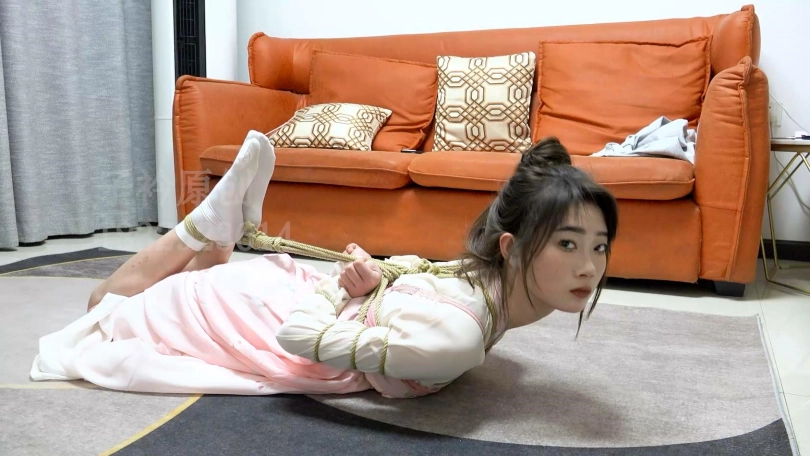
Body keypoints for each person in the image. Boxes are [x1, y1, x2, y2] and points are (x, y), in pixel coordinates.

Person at [29, 131, 618, 399]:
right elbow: (296, 336)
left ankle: (214, 230)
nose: (589, 267)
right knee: (103, 311)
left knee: (171, 289)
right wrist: (344, 287)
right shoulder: (459, 337)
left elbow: (404, 271)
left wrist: (366, 281)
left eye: (598, 246)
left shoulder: (475, 278)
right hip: (278, 314)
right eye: (567, 245)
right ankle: (205, 226)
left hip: (289, 292)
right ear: (510, 246)